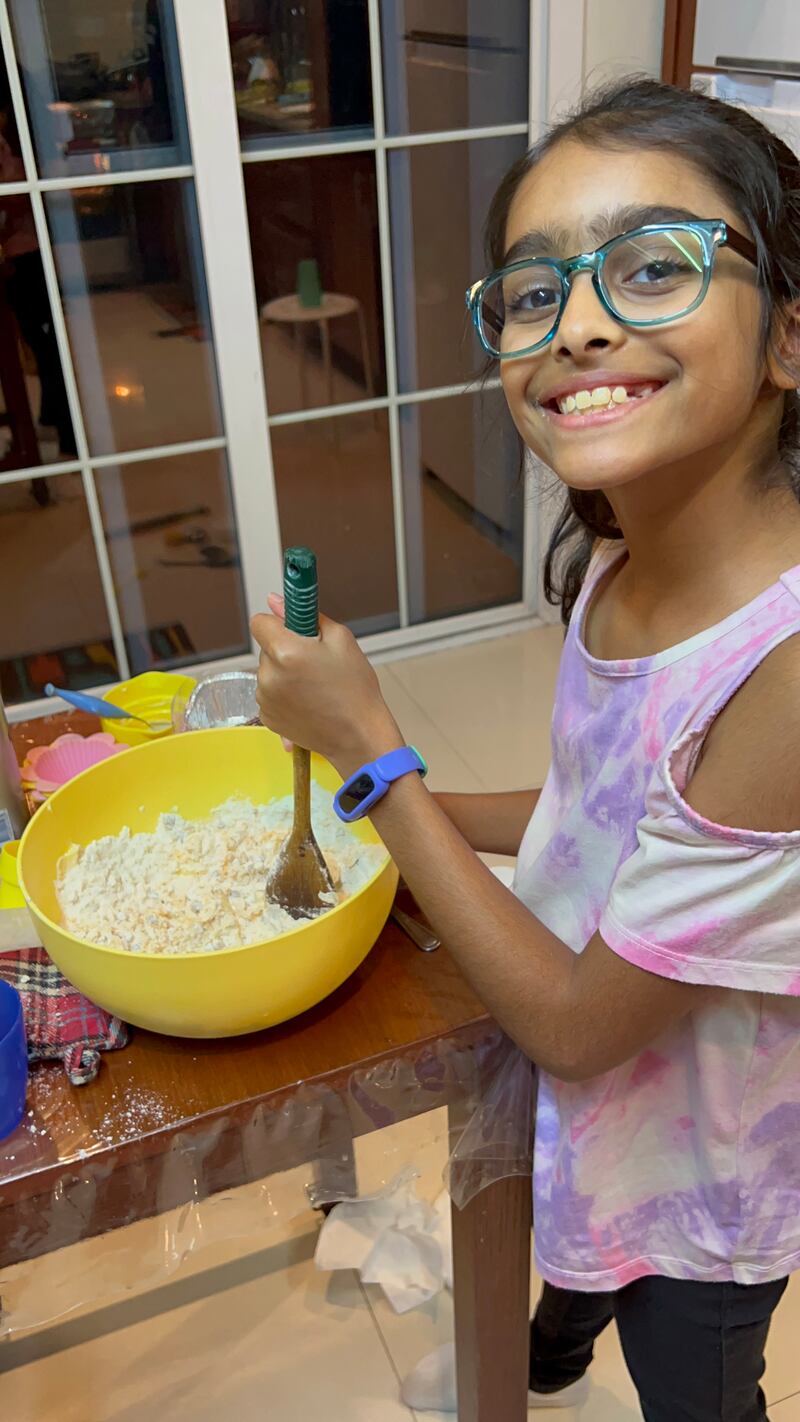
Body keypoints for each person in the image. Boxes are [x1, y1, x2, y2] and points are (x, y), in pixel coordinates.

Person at [251, 78, 800, 1421]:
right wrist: (407, 797)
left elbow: (576, 1029)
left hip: (704, 1174)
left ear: (791, 337)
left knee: (695, 1380)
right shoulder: (618, 559)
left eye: (656, 266)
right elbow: (587, 808)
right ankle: (552, 1343)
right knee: (571, 1269)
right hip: (599, 1111)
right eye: (535, 291)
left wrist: (375, 755)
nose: (582, 322)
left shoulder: (786, 668)